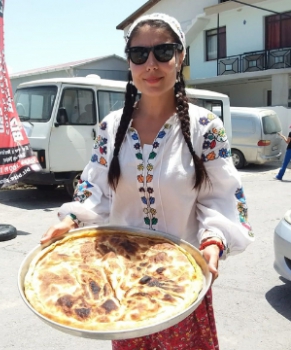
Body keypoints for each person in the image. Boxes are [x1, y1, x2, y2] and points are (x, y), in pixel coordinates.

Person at [39, 13, 254, 349]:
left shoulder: (206, 128)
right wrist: (70, 219)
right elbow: (95, 189)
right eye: (139, 54)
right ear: (129, 62)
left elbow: (221, 198)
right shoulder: (111, 127)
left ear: (181, 57)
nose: (151, 64)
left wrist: (213, 242)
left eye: (163, 52)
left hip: (179, 281)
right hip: (122, 283)